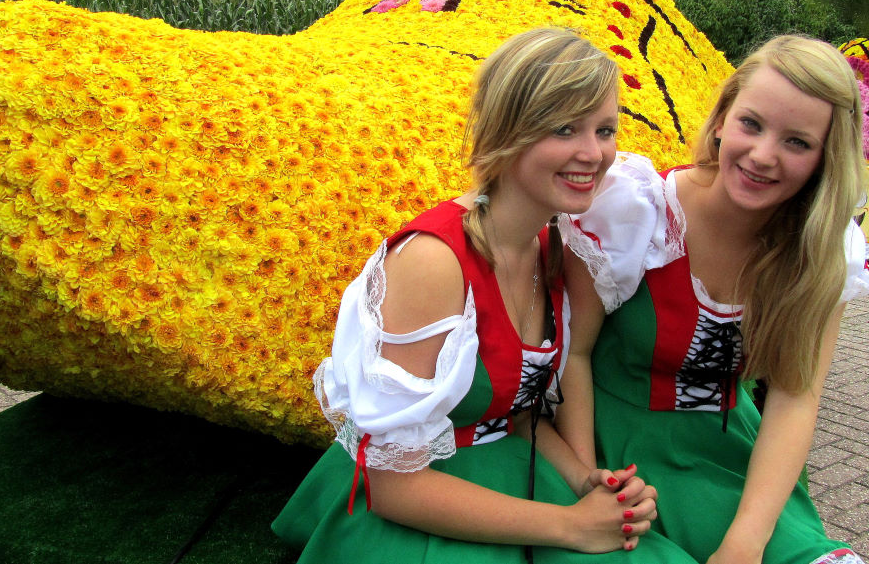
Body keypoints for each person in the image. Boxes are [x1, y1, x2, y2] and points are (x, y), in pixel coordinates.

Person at [272, 28, 677, 563]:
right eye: (564, 128)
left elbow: (513, 411)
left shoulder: (552, 243)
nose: (594, 152)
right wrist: (570, 526)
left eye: (605, 129)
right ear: (508, 132)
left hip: (512, 468)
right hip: (419, 501)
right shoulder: (432, 261)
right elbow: (391, 484)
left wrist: (585, 480)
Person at [558, 34, 869, 564]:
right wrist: (590, 482)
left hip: (733, 460)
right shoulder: (636, 214)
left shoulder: (825, 248)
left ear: (825, 156)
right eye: (752, 124)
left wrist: (747, 541)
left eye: (797, 142)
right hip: (614, 449)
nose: (763, 156)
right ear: (723, 118)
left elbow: (796, 397)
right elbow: (576, 355)